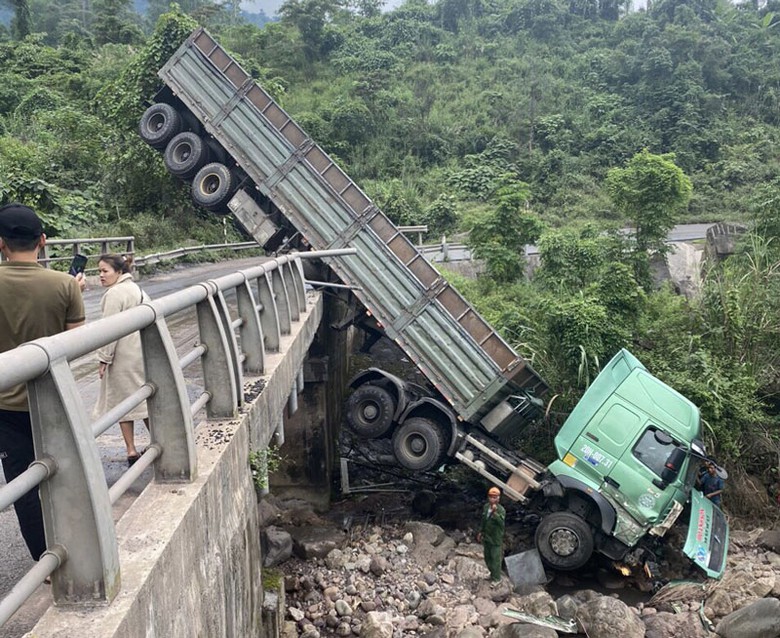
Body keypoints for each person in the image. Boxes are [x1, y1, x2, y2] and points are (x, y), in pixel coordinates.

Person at [0, 202, 86, 560]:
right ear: (44, 241)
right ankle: (78, 549)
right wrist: (76, 290)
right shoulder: (65, 285)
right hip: (54, 400)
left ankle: (46, 560)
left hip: (6, 408)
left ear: (1, 243)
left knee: (23, 486)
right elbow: (76, 346)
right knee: (64, 476)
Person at [93, 253, 149, 466]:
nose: (101, 275)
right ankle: (160, 440)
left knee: (122, 403)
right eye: (99, 271)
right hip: (138, 353)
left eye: (105, 271)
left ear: (119, 272)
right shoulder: (136, 289)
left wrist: (104, 359)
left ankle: (131, 449)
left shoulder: (115, 294)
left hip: (121, 356)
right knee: (142, 399)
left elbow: (109, 330)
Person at [476, 486, 506, 585]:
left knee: (495, 559)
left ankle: (497, 578)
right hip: (487, 536)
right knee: (487, 557)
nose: (492, 499)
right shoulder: (486, 507)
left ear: (498, 498)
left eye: (495, 497)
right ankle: (492, 574)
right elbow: (483, 520)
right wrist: (481, 531)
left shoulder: (501, 510)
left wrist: (495, 513)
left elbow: (501, 523)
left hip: (496, 537)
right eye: (491, 497)